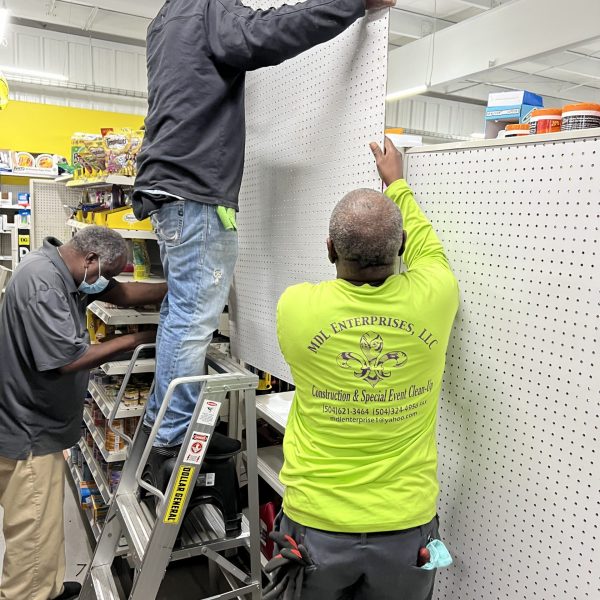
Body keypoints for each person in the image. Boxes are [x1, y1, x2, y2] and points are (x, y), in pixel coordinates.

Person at [132, 0, 395, 455]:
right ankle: (171, 442)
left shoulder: (167, 18)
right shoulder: (206, 7)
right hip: (194, 193)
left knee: (181, 317)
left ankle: (163, 426)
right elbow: (268, 32)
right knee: (192, 322)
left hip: (173, 188)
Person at [273, 138, 459, 600]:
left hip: (316, 526)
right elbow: (427, 248)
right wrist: (397, 184)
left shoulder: (297, 307)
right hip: (405, 529)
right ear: (399, 246)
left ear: (330, 247)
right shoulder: (435, 297)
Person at [0, 227, 166, 600]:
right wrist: (138, 340)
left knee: (45, 523)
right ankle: (31, 593)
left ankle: (50, 587)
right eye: (105, 273)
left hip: (39, 422)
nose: (105, 283)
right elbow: (67, 359)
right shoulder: (43, 284)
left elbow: (122, 293)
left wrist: (175, 289)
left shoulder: (66, 269)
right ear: (90, 260)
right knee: (32, 533)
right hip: (29, 432)